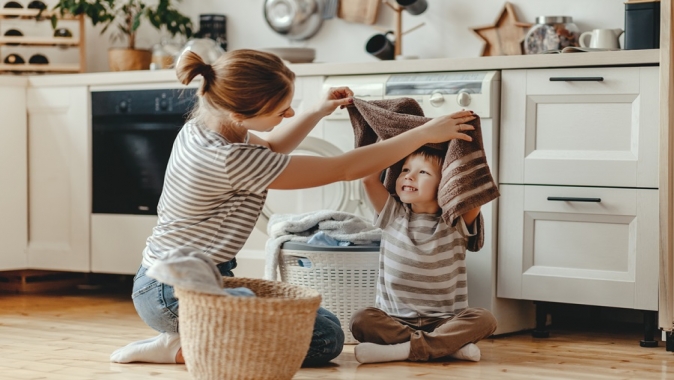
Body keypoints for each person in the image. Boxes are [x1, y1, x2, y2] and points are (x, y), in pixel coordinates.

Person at [109, 48, 477, 366]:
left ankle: (197, 337)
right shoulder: (228, 158)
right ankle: (183, 346)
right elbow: (342, 168)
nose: (287, 115)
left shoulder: (207, 129)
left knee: (325, 323)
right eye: (281, 110)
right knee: (323, 342)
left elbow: (272, 148)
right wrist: (423, 134)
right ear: (240, 113)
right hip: (171, 293)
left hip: (185, 279)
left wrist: (317, 111)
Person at [350, 146, 498, 364]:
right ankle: (446, 347)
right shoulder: (392, 214)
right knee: (361, 320)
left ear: (446, 184)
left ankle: (400, 351)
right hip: (394, 319)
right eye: (405, 169)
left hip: (444, 321)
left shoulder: (455, 222)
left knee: (486, 319)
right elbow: (368, 180)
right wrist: (391, 140)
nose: (409, 176)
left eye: (423, 172)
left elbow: (475, 187)